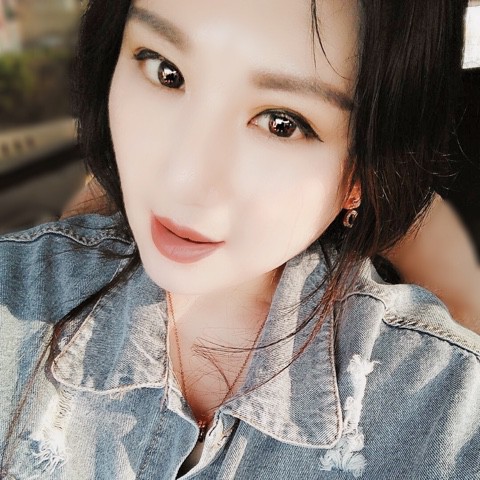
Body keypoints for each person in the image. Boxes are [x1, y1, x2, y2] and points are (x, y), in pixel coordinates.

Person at [0, 0, 478, 479]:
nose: (183, 179)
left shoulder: (447, 416)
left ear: (362, 173)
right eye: (167, 72)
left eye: (281, 123)